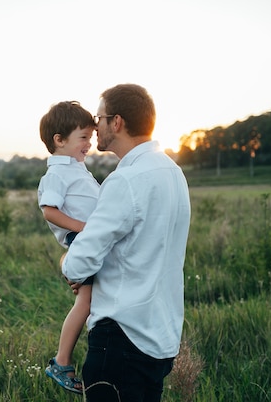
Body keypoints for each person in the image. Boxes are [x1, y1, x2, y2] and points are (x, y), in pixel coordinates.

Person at [62, 84, 191, 401]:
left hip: (122, 337)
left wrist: (68, 263)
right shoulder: (173, 173)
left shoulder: (125, 181)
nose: (95, 126)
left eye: (99, 117)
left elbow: (79, 262)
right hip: (161, 337)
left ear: (116, 122)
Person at [37, 101, 100, 395]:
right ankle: (61, 362)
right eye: (83, 137)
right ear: (59, 141)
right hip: (81, 239)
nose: (90, 143)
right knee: (85, 303)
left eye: (91, 136)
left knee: (94, 300)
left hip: (88, 238)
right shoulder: (57, 174)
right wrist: (85, 229)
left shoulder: (76, 169)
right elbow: (49, 210)